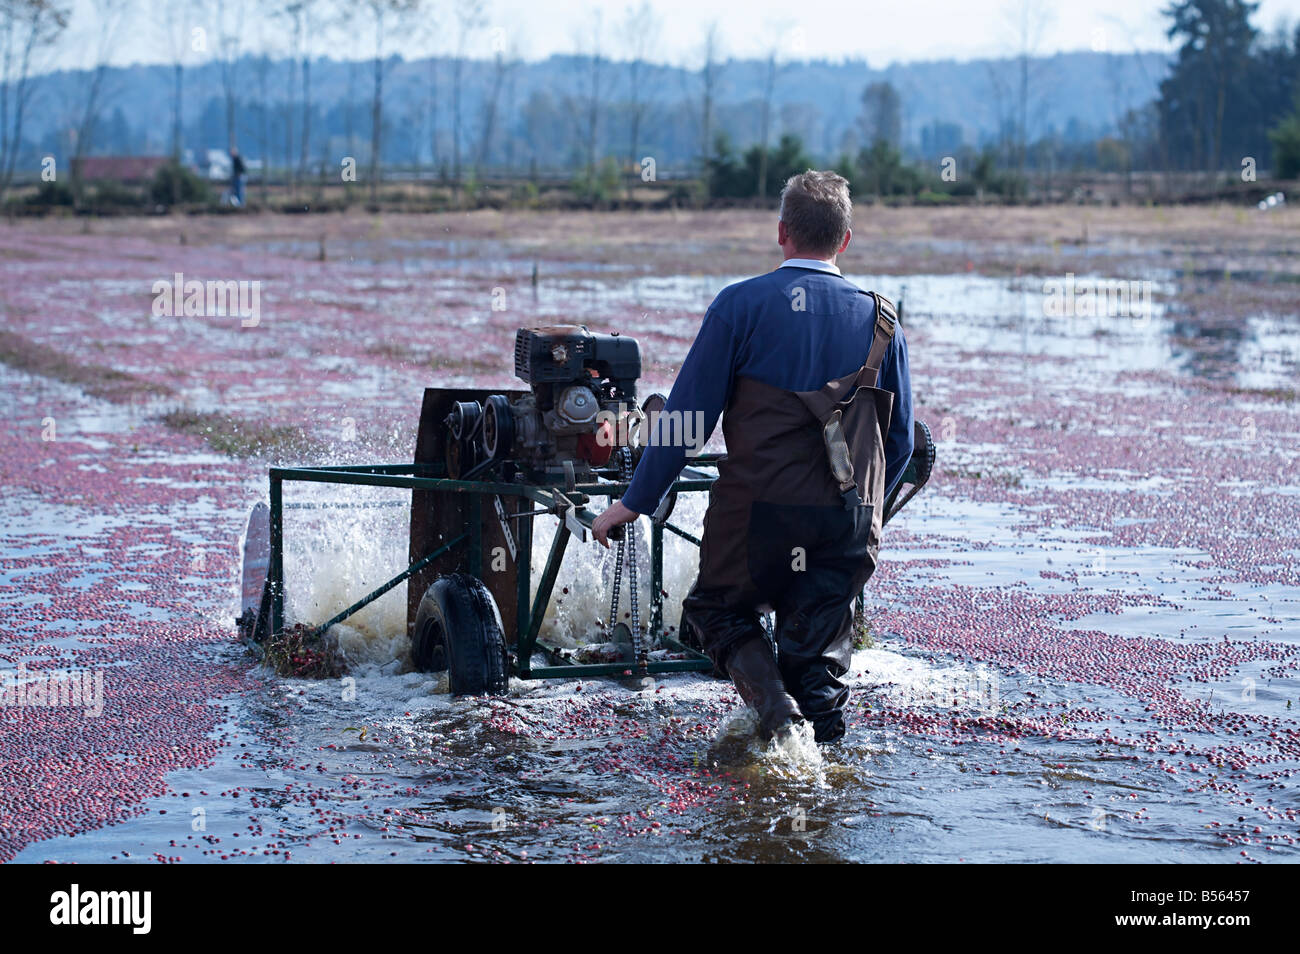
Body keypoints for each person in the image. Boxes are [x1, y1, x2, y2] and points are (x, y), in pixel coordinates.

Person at [592, 170, 914, 745]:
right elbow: (903, 444)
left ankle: (776, 712)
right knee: (814, 652)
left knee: (715, 609)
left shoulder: (740, 306)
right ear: (845, 240)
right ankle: (826, 774)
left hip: (759, 516)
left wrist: (633, 502)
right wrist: (866, 517)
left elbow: (687, 422)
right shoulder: (883, 321)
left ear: (782, 232)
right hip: (848, 522)